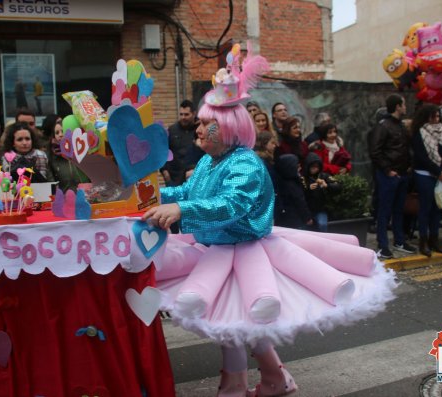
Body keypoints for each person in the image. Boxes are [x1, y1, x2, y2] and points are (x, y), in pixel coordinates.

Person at [142, 49, 397, 397]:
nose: (198, 129)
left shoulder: (244, 164)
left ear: (228, 127)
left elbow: (232, 204)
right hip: (215, 249)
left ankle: (237, 386)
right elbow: (188, 190)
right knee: (235, 322)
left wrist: (183, 211)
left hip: (246, 252)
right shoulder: (208, 161)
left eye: (205, 123)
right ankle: (275, 379)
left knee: (232, 323)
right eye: (200, 122)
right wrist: (154, 193)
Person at [369, 94, 416, 259]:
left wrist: (408, 165)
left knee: (398, 209)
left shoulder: (401, 126)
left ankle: (399, 240)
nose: (405, 107)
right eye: (403, 104)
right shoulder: (383, 126)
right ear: (397, 106)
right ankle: (382, 244)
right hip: (389, 175)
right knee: (384, 210)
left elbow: (405, 148)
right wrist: (388, 170)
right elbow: (375, 151)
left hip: (402, 174)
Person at [411, 104, 442, 256]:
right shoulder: (420, 132)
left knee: (438, 207)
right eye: (433, 117)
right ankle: (423, 242)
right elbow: (422, 156)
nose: (436, 119)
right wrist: (438, 171)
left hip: (441, 175)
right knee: (426, 208)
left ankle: (434, 240)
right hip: (425, 173)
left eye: (438, 116)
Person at [44, 117, 90, 192]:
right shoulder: (51, 156)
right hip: (64, 198)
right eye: (57, 133)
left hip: (85, 196)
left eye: (63, 131)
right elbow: (51, 182)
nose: (60, 135)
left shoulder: (83, 151)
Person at [162, 100, 198, 187]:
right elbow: (164, 151)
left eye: (186, 114)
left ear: (194, 114)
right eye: (181, 114)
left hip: (195, 178)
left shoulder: (199, 130)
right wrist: (164, 171)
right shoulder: (172, 130)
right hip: (174, 179)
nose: (183, 117)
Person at [302, 152, 340, 232]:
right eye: (312, 167)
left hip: (320, 209)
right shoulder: (303, 178)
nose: (315, 169)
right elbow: (297, 194)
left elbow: (338, 186)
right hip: (306, 210)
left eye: (317, 167)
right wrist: (308, 189)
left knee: (322, 224)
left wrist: (327, 186)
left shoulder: (324, 176)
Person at [274, 154, 312, 229]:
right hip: (295, 220)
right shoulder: (293, 183)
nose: (300, 168)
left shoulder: (279, 181)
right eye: (297, 166)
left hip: (282, 219)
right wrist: (307, 218)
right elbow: (300, 201)